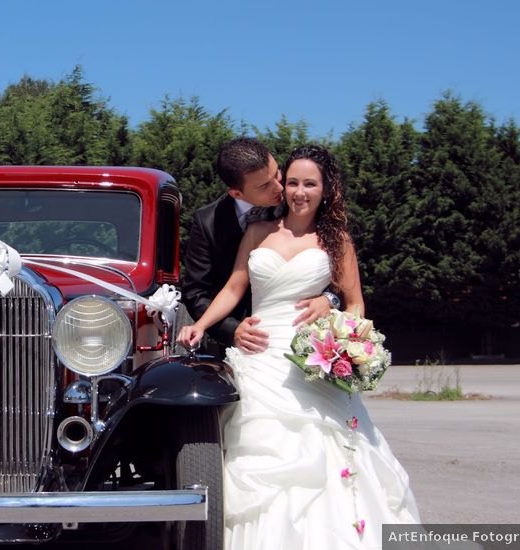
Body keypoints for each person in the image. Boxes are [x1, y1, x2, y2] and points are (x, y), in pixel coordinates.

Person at [179, 145, 420, 549]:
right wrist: (202, 325)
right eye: (291, 182)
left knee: (327, 452)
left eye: (309, 183)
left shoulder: (337, 240)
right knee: (258, 456)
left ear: (326, 190)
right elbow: (233, 286)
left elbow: (355, 300)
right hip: (258, 360)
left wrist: (341, 333)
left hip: (311, 357)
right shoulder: (257, 232)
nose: (296, 191)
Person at [181, 137, 337, 358]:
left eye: (277, 173)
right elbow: (196, 292)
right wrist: (232, 330)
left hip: (304, 340)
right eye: (265, 185)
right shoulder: (207, 222)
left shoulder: (300, 201)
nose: (279, 187)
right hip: (234, 347)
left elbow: (337, 267)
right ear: (237, 193)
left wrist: (329, 299)